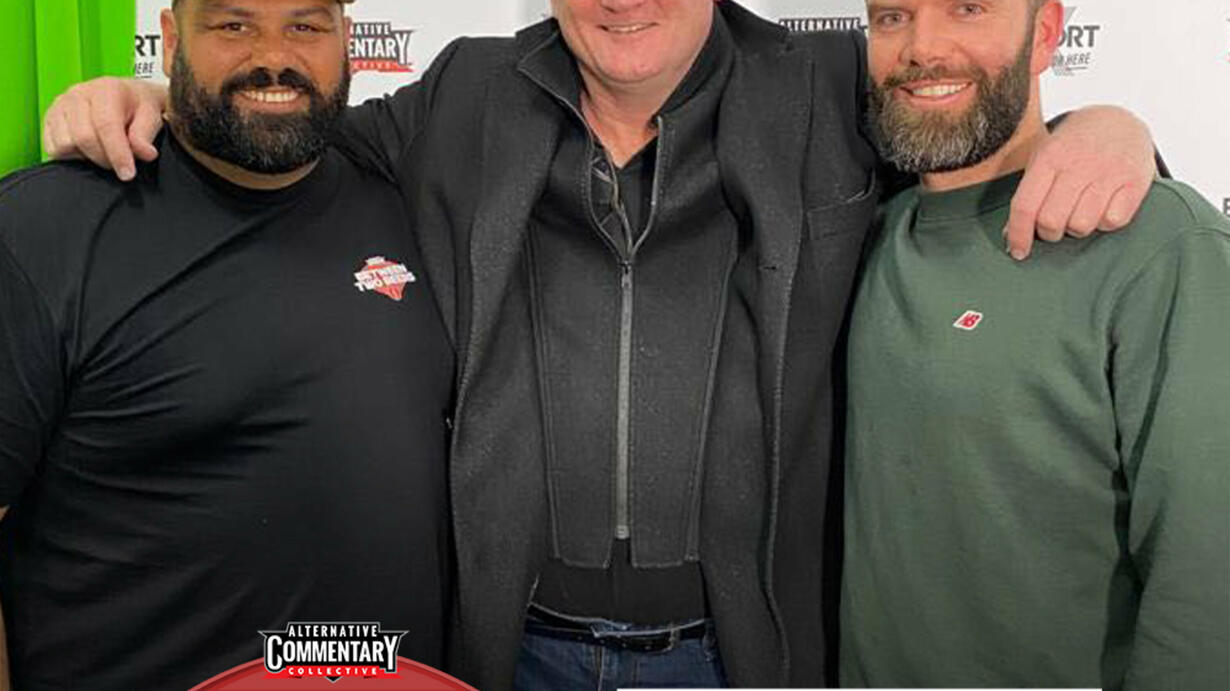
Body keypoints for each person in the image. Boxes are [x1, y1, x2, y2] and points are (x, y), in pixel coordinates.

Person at [41, 1, 1160, 688]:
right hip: (512, 643)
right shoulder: (467, 88)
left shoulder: (821, 83)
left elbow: (961, 121)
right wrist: (145, 96)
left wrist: (1108, 129)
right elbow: (285, 133)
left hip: (745, 650)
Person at [0, 1, 454, 689]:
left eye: (306, 26)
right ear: (171, 38)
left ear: (346, 39)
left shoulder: (410, 194)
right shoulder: (41, 231)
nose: (273, 57)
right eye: (233, 25)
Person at [842, 0, 1230, 688]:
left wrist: (1113, 124)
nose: (923, 47)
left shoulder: (1161, 243)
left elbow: (1208, 582)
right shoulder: (859, 234)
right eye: (893, 16)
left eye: (968, 9)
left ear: (1046, 33)